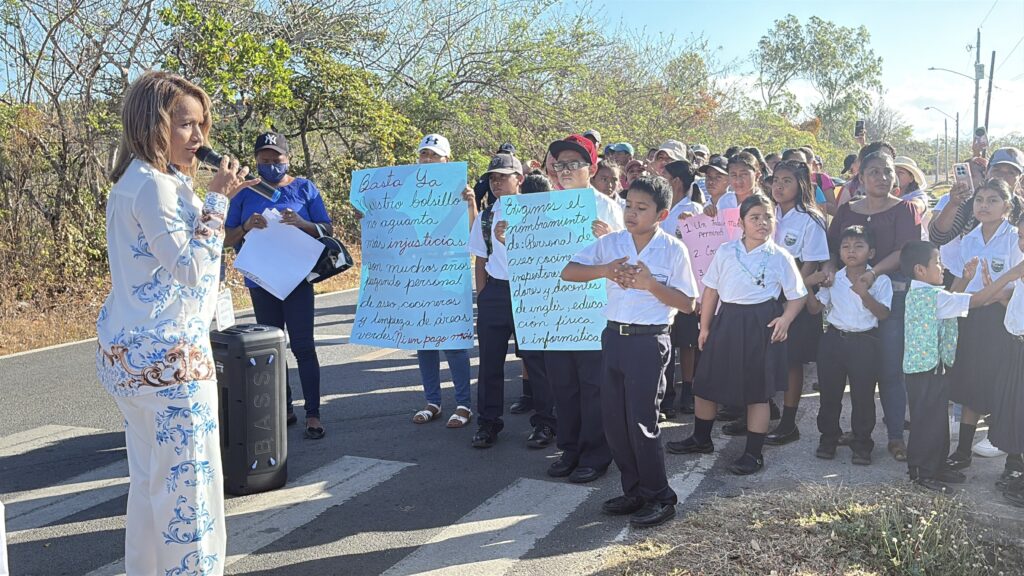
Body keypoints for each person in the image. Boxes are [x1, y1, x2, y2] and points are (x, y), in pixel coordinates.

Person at [98, 70, 257, 575]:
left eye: (202, 124)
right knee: (190, 493)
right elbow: (190, 268)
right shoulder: (155, 187)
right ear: (153, 124)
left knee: (151, 487)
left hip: (135, 356)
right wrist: (217, 201)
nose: (198, 137)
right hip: (171, 364)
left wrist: (213, 201)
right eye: (186, 124)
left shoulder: (139, 180)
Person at [562, 175, 698, 527]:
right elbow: (569, 272)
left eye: (642, 208)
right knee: (615, 422)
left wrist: (650, 284)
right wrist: (605, 270)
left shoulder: (673, 249)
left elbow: (688, 303)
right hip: (613, 337)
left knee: (641, 422)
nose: (631, 214)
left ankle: (660, 496)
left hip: (648, 341)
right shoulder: (612, 242)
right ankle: (634, 490)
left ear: (662, 214)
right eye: (628, 206)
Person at [667, 194, 807, 475]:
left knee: (758, 392)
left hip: (761, 325)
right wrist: (705, 327)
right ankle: (701, 438)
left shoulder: (780, 256)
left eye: (767, 217)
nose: (762, 222)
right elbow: (711, 291)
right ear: (741, 223)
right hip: (727, 320)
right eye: (755, 217)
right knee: (706, 382)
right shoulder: (726, 251)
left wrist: (786, 319)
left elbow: (798, 295)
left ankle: (753, 454)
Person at [224, 131, 333, 439]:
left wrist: (302, 223)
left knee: (303, 346)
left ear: (288, 158)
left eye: (277, 159)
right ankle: (283, 409)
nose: (271, 165)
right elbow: (227, 238)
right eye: (265, 160)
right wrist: (246, 225)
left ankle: (313, 414)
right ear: (256, 161)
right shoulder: (245, 192)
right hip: (262, 281)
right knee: (272, 348)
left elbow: (327, 228)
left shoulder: (304, 188)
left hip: (297, 280)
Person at [899, 240, 1019, 491]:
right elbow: (976, 300)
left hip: (934, 369)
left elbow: (954, 296)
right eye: (937, 262)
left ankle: (937, 465)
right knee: (926, 423)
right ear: (920, 270)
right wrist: (1010, 275)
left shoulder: (928, 292)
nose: (942, 267)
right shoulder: (932, 297)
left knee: (937, 421)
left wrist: (965, 279)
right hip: (925, 372)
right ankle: (922, 473)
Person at [826, 151, 921, 462]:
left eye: (888, 171)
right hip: (851, 299)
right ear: (861, 177)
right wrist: (829, 269)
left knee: (890, 369)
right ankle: (858, 433)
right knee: (857, 372)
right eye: (874, 172)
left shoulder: (905, 209)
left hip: (891, 296)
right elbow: (832, 247)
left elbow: (904, 251)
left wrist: (872, 274)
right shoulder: (847, 211)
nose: (882, 177)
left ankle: (895, 436)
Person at [543, 133, 624, 480]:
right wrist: (506, 238)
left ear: (591, 169)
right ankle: (570, 449)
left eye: (573, 164)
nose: (565, 170)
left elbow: (626, 256)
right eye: (560, 164)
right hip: (552, 310)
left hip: (592, 312)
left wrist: (608, 238)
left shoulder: (607, 207)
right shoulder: (543, 205)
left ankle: (595, 454)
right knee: (563, 385)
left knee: (593, 386)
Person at [470, 153, 557, 449]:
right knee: (489, 362)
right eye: (492, 178)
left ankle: (545, 423)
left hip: (529, 291)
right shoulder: (485, 217)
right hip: (495, 292)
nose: (496, 183)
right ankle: (488, 422)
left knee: (536, 361)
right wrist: (483, 296)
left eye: (503, 177)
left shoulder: (537, 213)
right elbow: (480, 259)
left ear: (519, 179)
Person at [941, 179, 1024, 471]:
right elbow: (960, 283)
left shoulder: (1015, 237)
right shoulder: (970, 238)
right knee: (971, 382)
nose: (984, 206)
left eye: (992, 200)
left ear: (1007, 206)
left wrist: (993, 293)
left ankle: (1013, 459)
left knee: (1005, 387)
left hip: (1004, 317)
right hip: (973, 316)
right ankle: (963, 450)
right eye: (979, 200)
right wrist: (962, 289)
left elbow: (1018, 284)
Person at [806, 226, 892, 463]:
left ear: (871, 252)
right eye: (846, 247)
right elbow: (815, 309)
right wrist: (808, 287)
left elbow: (883, 314)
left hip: (865, 342)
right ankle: (828, 438)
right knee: (829, 393)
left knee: (863, 396)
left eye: (858, 246)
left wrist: (864, 294)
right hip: (834, 340)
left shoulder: (880, 280)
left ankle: (862, 443)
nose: (851, 251)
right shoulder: (834, 278)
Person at [764, 160, 830, 446]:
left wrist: (792, 295)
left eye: (787, 181)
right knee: (763, 355)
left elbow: (811, 262)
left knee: (791, 360)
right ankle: (761, 409)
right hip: (765, 293)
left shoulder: (810, 219)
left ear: (801, 185)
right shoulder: (769, 213)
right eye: (776, 180)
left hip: (794, 295)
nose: (779, 186)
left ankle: (789, 423)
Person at [660, 160, 703, 419]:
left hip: (686, 284)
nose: (660, 178)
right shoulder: (660, 206)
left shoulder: (694, 209)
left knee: (687, 342)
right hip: (661, 285)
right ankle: (666, 394)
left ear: (676, 181)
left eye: (663, 175)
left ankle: (688, 390)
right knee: (666, 339)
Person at [991, 221, 1024, 504]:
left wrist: (1010, 275)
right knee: (1015, 412)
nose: (1022, 244)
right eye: (1021, 237)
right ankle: (1017, 468)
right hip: (1015, 345)